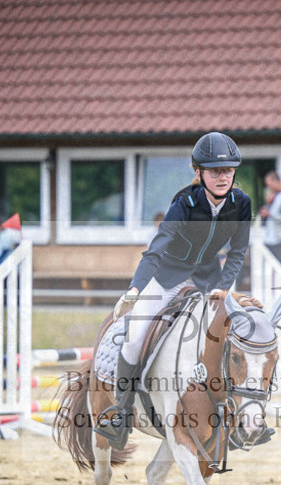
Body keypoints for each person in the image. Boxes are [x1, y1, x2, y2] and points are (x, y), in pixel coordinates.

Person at [100, 131, 253, 449]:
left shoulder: (242, 205)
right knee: (135, 337)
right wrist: (134, 290)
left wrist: (222, 291)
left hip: (210, 283)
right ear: (199, 173)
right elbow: (155, 251)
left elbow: (238, 253)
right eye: (215, 171)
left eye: (227, 170)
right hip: (167, 279)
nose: (223, 177)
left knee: (233, 339)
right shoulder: (184, 203)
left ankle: (233, 417)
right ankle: (121, 414)